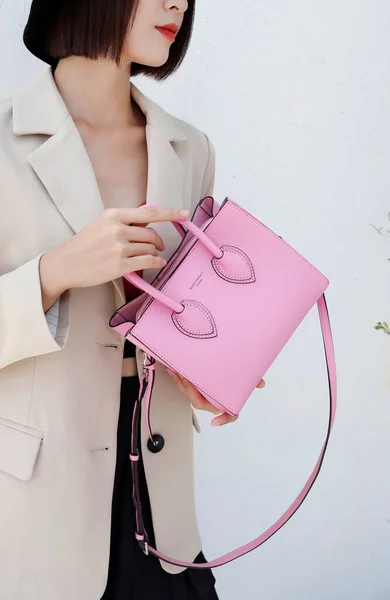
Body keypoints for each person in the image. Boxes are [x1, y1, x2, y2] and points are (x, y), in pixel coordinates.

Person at [0, 1, 266, 598]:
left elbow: (179, 312)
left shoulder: (189, 148)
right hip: (39, 507)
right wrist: (55, 270)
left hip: (162, 508)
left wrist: (204, 371)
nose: (179, 2)